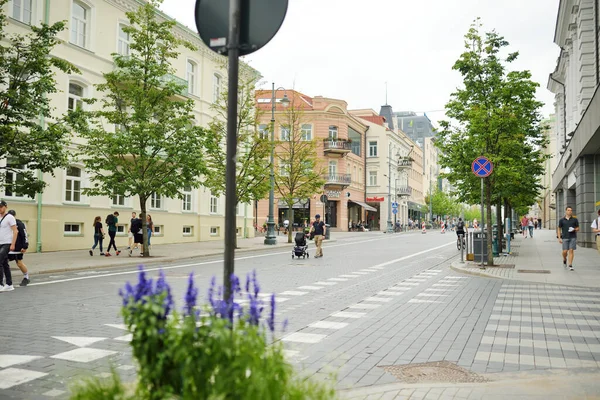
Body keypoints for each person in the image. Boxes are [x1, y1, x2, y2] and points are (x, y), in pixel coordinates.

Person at [7, 210, 30, 286]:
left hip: (17, 248)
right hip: (7, 246)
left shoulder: (19, 224)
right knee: (3, 263)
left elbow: (24, 235)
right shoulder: (5, 223)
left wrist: (25, 246)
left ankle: (26, 277)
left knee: (19, 263)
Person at [0, 200, 17, 292]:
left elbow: (15, 231)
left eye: (1, 207)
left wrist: (13, 244)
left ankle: (0, 284)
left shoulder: (10, 217)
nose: (0, 208)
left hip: (7, 243)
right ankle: (9, 284)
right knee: (4, 263)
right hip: (0, 242)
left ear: (5, 207)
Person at [558, 206, 579, 271]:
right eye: (568, 210)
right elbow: (559, 229)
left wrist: (574, 229)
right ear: (566, 211)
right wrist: (559, 238)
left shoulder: (575, 219)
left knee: (571, 250)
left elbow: (578, 228)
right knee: (565, 251)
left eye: (571, 210)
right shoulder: (561, 220)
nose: (570, 211)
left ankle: (570, 264)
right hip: (565, 237)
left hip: (573, 237)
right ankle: (564, 259)